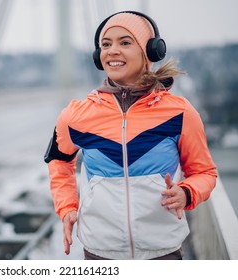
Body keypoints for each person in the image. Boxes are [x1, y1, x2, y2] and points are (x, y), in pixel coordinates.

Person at [44, 11, 217, 260]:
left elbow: (204, 173)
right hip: (99, 252)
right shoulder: (75, 115)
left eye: (125, 42)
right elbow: (59, 161)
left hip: (162, 252)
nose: (112, 51)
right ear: (98, 55)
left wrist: (186, 192)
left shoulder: (180, 113)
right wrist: (67, 207)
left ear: (150, 52)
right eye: (106, 44)